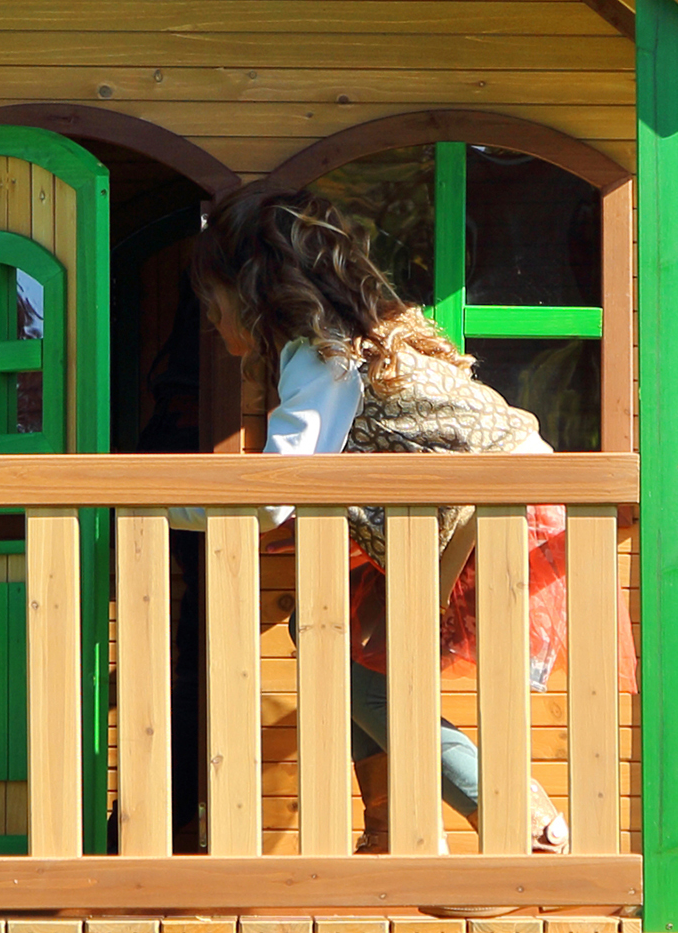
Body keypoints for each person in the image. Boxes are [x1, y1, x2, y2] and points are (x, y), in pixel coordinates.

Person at [186, 187, 579, 853]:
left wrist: (158, 505)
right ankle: (398, 825)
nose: (210, 323)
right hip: (492, 505)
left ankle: (515, 812)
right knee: (337, 649)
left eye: (210, 306)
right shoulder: (354, 342)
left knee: (364, 678)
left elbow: (274, 495)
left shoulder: (318, 353)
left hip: (499, 510)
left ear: (248, 290)